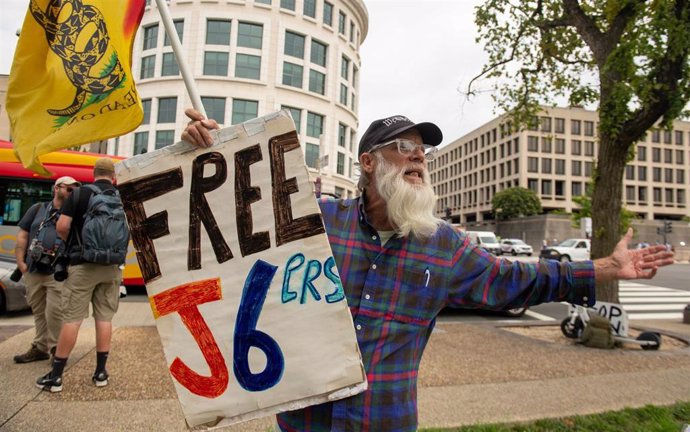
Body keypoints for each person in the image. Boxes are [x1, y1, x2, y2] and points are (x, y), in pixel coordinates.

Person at [182, 110, 674, 432]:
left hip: (386, 422)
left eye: (423, 150)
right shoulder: (318, 223)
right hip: (303, 423)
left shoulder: (444, 247)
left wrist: (606, 267)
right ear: (369, 163)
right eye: (403, 146)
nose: (419, 155)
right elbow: (234, 224)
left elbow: (515, 280)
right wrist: (203, 150)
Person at [36, 158, 124, 392]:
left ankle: (56, 376)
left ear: (94, 173)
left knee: (72, 319)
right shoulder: (121, 195)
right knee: (104, 319)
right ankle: (101, 372)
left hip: (83, 264)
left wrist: (73, 245)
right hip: (112, 266)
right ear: (113, 176)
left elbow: (62, 227)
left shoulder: (80, 194)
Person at [13, 176, 80, 363]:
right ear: (57, 188)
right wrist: (21, 263)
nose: (72, 193)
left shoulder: (74, 213)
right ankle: (40, 347)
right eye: (69, 189)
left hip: (56, 272)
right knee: (38, 311)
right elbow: (22, 236)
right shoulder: (37, 209)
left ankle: (56, 350)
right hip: (33, 269)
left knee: (55, 312)